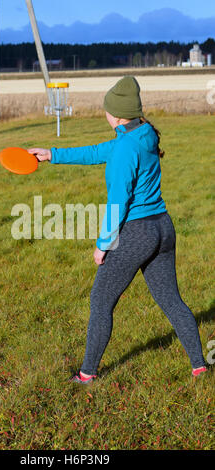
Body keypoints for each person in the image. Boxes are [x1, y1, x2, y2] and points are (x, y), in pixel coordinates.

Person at [28, 76, 207, 384]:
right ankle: (200, 366)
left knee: (100, 301)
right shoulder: (142, 133)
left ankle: (87, 374)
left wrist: (104, 245)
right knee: (171, 300)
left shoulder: (126, 147)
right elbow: (98, 151)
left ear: (117, 114)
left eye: (107, 109)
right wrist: (52, 154)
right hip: (163, 228)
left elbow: (118, 202)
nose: (105, 113)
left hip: (137, 233)